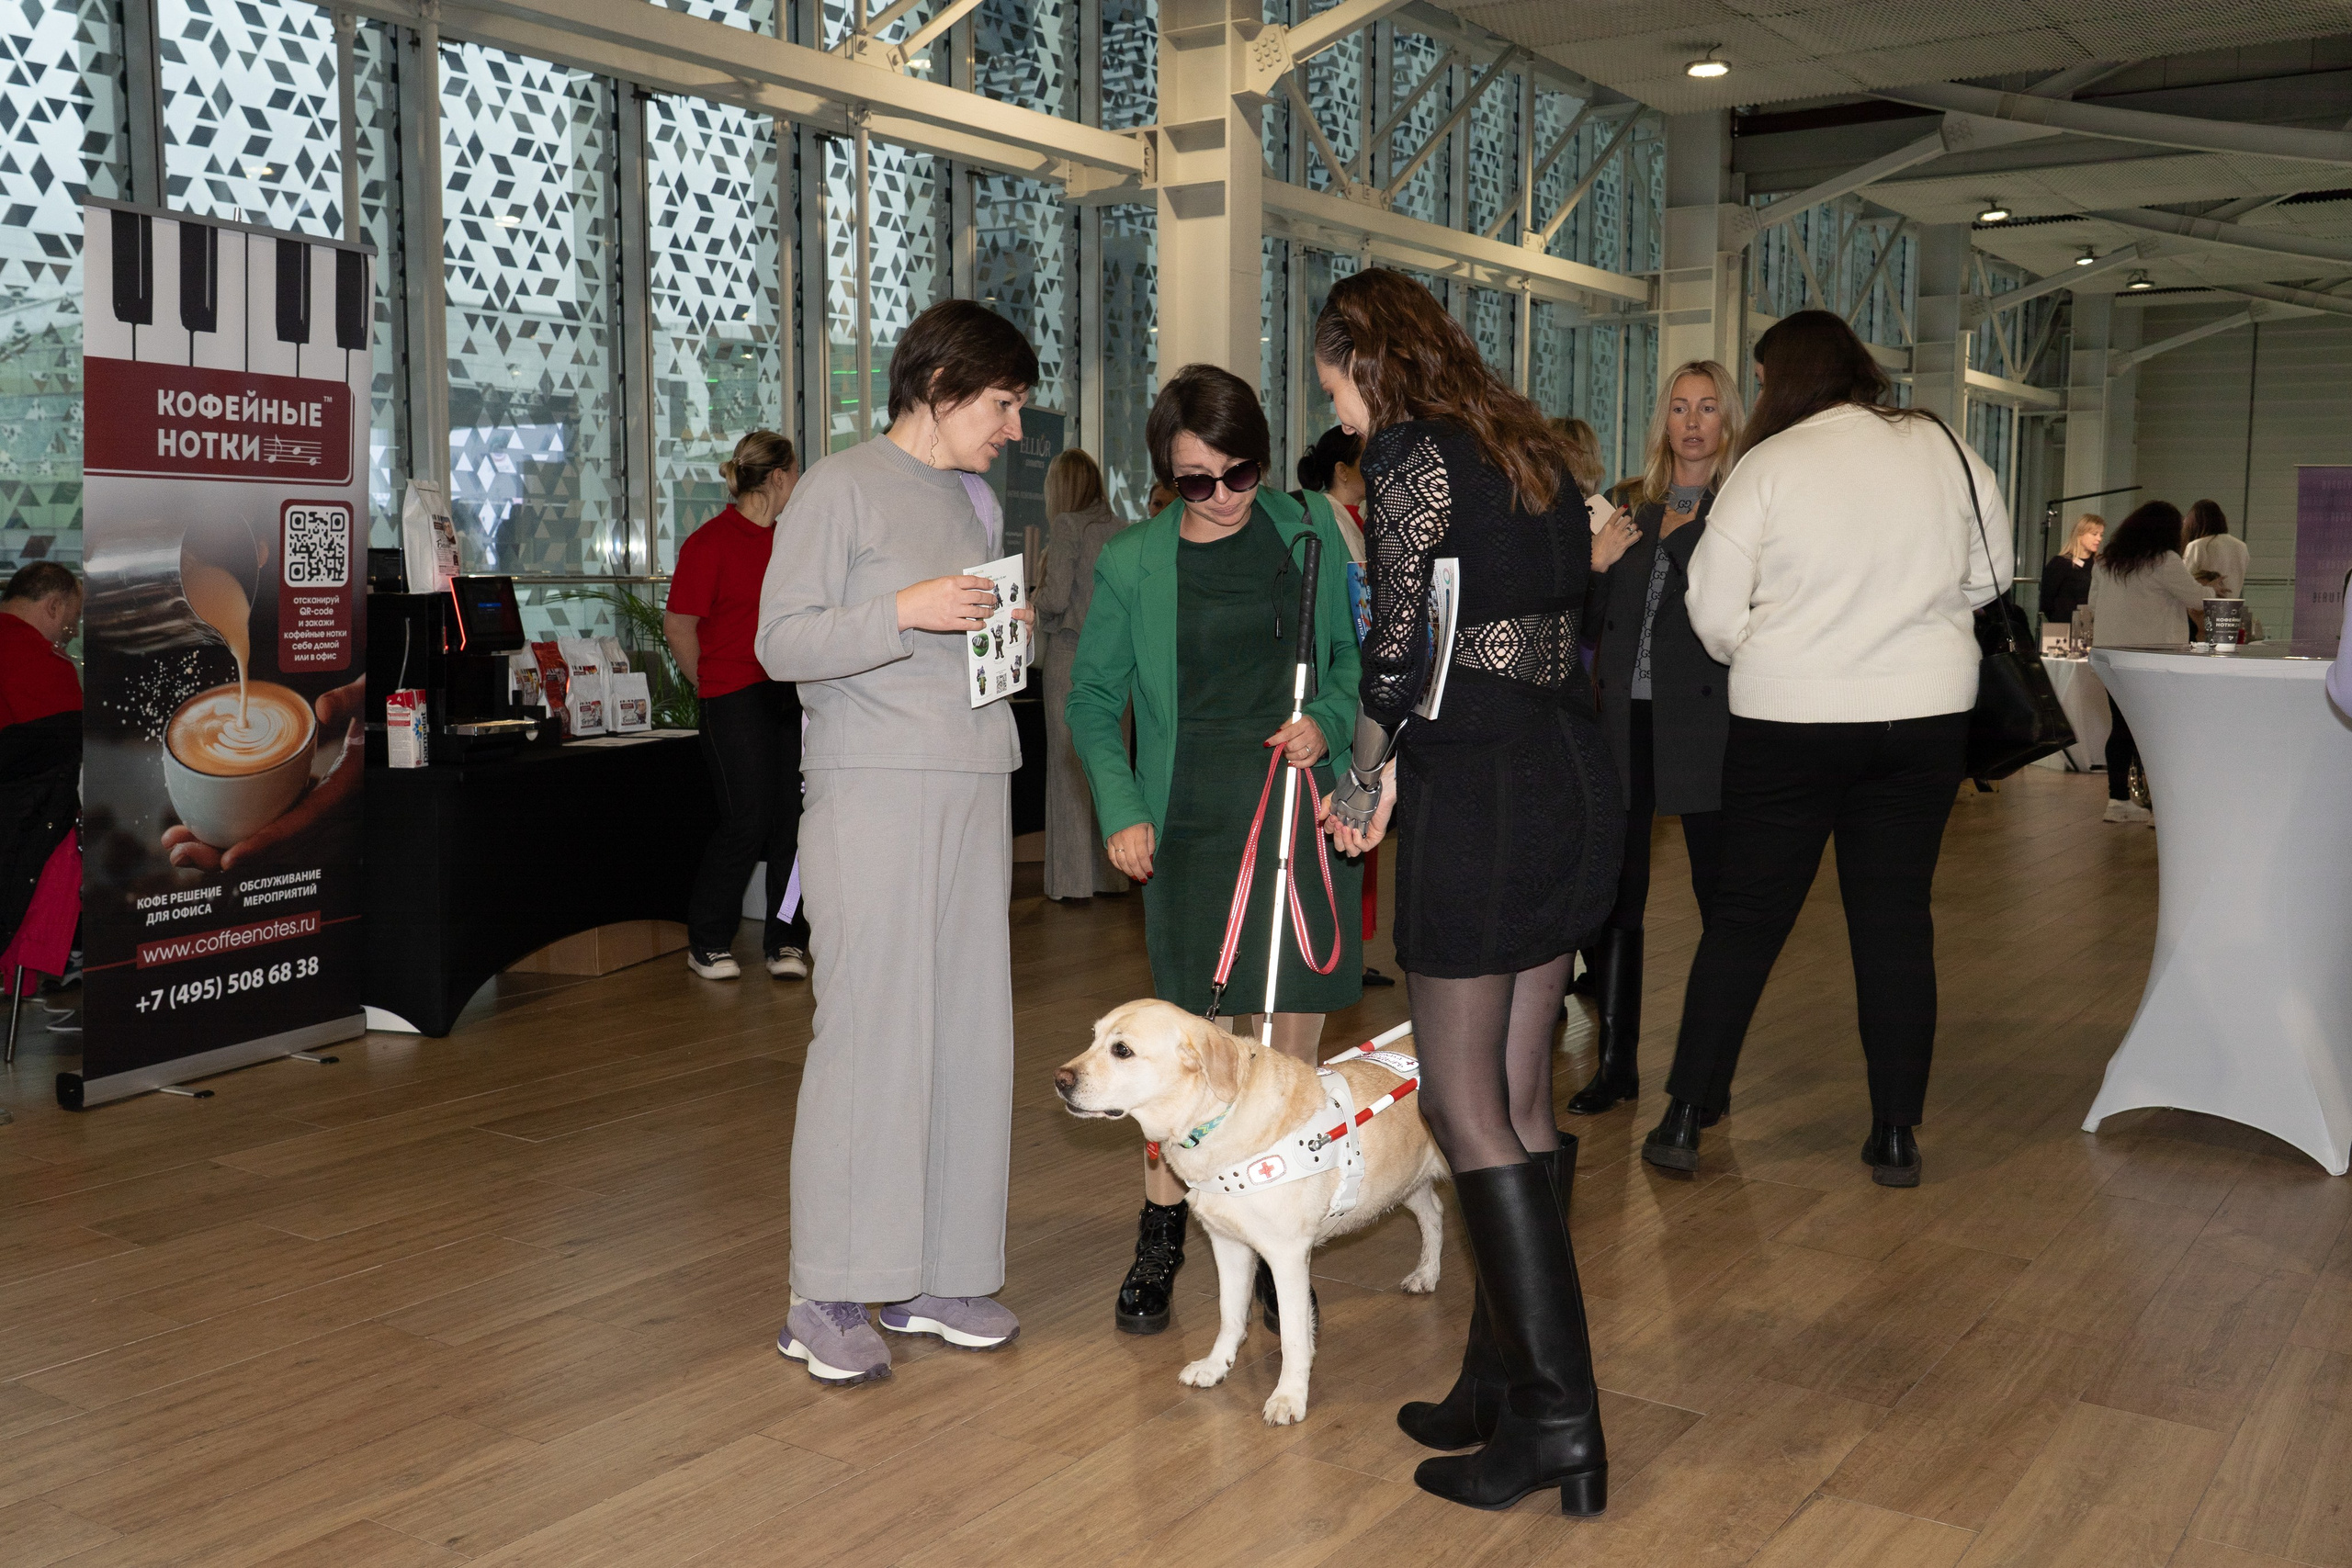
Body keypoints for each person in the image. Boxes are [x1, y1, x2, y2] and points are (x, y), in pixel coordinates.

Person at [1316, 269, 1618, 1516]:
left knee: (1460, 1097)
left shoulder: (1409, 456)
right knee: (1521, 1091)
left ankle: (1559, 1418)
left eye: (1332, 384)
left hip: (1481, 795)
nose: (1334, 414)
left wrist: (1362, 778)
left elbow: (1400, 641)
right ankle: (1502, 1382)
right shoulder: (1528, 442)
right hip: (1567, 771)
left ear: (1366, 359)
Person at [1638, 309, 2007, 1190]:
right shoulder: (1942, 446)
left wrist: (1771, 652)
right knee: (1894, 922)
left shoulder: (1771, 463)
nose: (1756, 394)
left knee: (1745, 920)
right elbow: (1992, 574)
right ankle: (1893, 1135)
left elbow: (1712, 608)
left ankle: (1688, 1113)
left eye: (1760, 379)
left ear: (1792, 376)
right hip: (1923, 723)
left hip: (1789, 726)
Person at [755, 299, 1037, 1385]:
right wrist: (907, 610)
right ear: (944, 386)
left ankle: (935, 1269)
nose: (1013, 429)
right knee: (870, 1036)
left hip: (972, 782)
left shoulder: (972, 500)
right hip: (871, 788)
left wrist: (1001, 639)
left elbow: (961, 649)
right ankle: (823, 1288)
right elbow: (779, 645)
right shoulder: (837, 486)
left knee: (966, 1036)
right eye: (1004, 405)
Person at [1067, 364, 1363, 1337]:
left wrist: (1323, 718)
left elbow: (1349, 667)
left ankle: (1282, 1251)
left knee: (1287, 1056)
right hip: (1189, 827)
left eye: (1241, 474)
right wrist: (1120, 807)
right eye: (1199, 482)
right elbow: (1091, 702)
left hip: (1294, 818)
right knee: (1179, 1070)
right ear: (1164, 477)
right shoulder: (1134, 563)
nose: (1226, 497)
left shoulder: (1305, 532)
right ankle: (1163, 1237)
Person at [1566, 360, 1744, 1118]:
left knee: (1724, 902)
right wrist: (1596, 564)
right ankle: (1616, 1065)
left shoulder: (1745, 512)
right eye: (1679, 407)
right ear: (1662, 421)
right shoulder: (1627, 510)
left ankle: (1709, 1075)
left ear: (1727, 421)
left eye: (1708, 407)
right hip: (1623, 723)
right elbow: (1582, 622)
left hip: (1708, 725)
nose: (1693, 422)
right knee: (1617, 901)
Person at [667, 431, 812, 981]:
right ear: (777, 478)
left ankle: (785, 939)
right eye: (795, 473)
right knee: (746, 821)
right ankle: (706, 938)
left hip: (787, 693)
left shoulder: (792, 542)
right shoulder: (709, 543)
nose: (797, 483)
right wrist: (710, 685)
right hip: (730, 696)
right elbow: (679, 627)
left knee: (793, 823)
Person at [1296, 424, 1396, 991]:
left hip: (1366, 682)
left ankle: (1354, 951)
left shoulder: (1362, 523)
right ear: (1341, 470)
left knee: (1363, 818)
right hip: (1346, 684)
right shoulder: (1326, 522)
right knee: (1349, 815)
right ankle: (1340, 950)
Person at [1032, 447, 1130, 902]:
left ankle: (1072, 882)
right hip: (1116, 663)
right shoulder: (1122, 528)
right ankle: (1111, 875)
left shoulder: (1067, 527)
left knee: (1068, 767)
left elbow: (1052, 599)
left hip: (1071, 657)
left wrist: (1028, 603)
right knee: (1109, 763)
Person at [2090, 500, 2207, 824]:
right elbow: (2198, 599)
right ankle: (2161, 807)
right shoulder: (2165, 560)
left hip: (2112, 657)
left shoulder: (2106, 561)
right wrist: (2216, 587)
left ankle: (2117, 800)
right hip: (2155, 660)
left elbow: (2092, 604)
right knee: (2159, 731)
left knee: (2121, 728)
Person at [0, 562, 83, 731]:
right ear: (54, 607)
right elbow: (68, 747)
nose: (75, 632)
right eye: (74, 617)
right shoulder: (46, 663)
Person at [2039, 512, 2103, 629]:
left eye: (2101, 534)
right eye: (2094, 534)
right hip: (2063, 628)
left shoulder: (2100, 565)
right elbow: (2046, 600)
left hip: (2093, 629)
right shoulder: (2060, 563)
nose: (2099, 539)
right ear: (2080, 534)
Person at [2183, 498, 2249, 601]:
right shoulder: (2242, 547)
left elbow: (2185, 583)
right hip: (2231, 608)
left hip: (2203, 609)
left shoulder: (2197, 546)